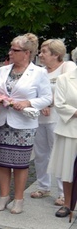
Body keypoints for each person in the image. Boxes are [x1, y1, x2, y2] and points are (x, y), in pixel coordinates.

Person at [0, 33, 51, 214]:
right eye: (11, 49)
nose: (10, 52)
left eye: (14, 50)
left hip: (23, 124)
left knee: (20, 163)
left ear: (27, 53)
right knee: (1, 162)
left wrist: (28, 103)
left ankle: (18, 199)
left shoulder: (39, 72)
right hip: (2, 120)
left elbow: (47, 98)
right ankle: (3, 196)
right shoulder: (3, 70)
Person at [32, 39, 76, 205]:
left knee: (59, 155)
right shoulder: (40, 71)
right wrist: (41, 102)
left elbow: (68, 92)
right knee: (41, 154)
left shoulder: (67, 68)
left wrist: (49, 102)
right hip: (40, 118)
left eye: (44, 52)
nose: (40, 55)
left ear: (56, 54)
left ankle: (63, 193)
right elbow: (34, 92)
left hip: (60, 119)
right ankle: (43, 186)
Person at [49, 67, 77, 219]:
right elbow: (59, 104)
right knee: (68, 169)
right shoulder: (64, 78)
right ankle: (67, 203)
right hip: (69, 130)